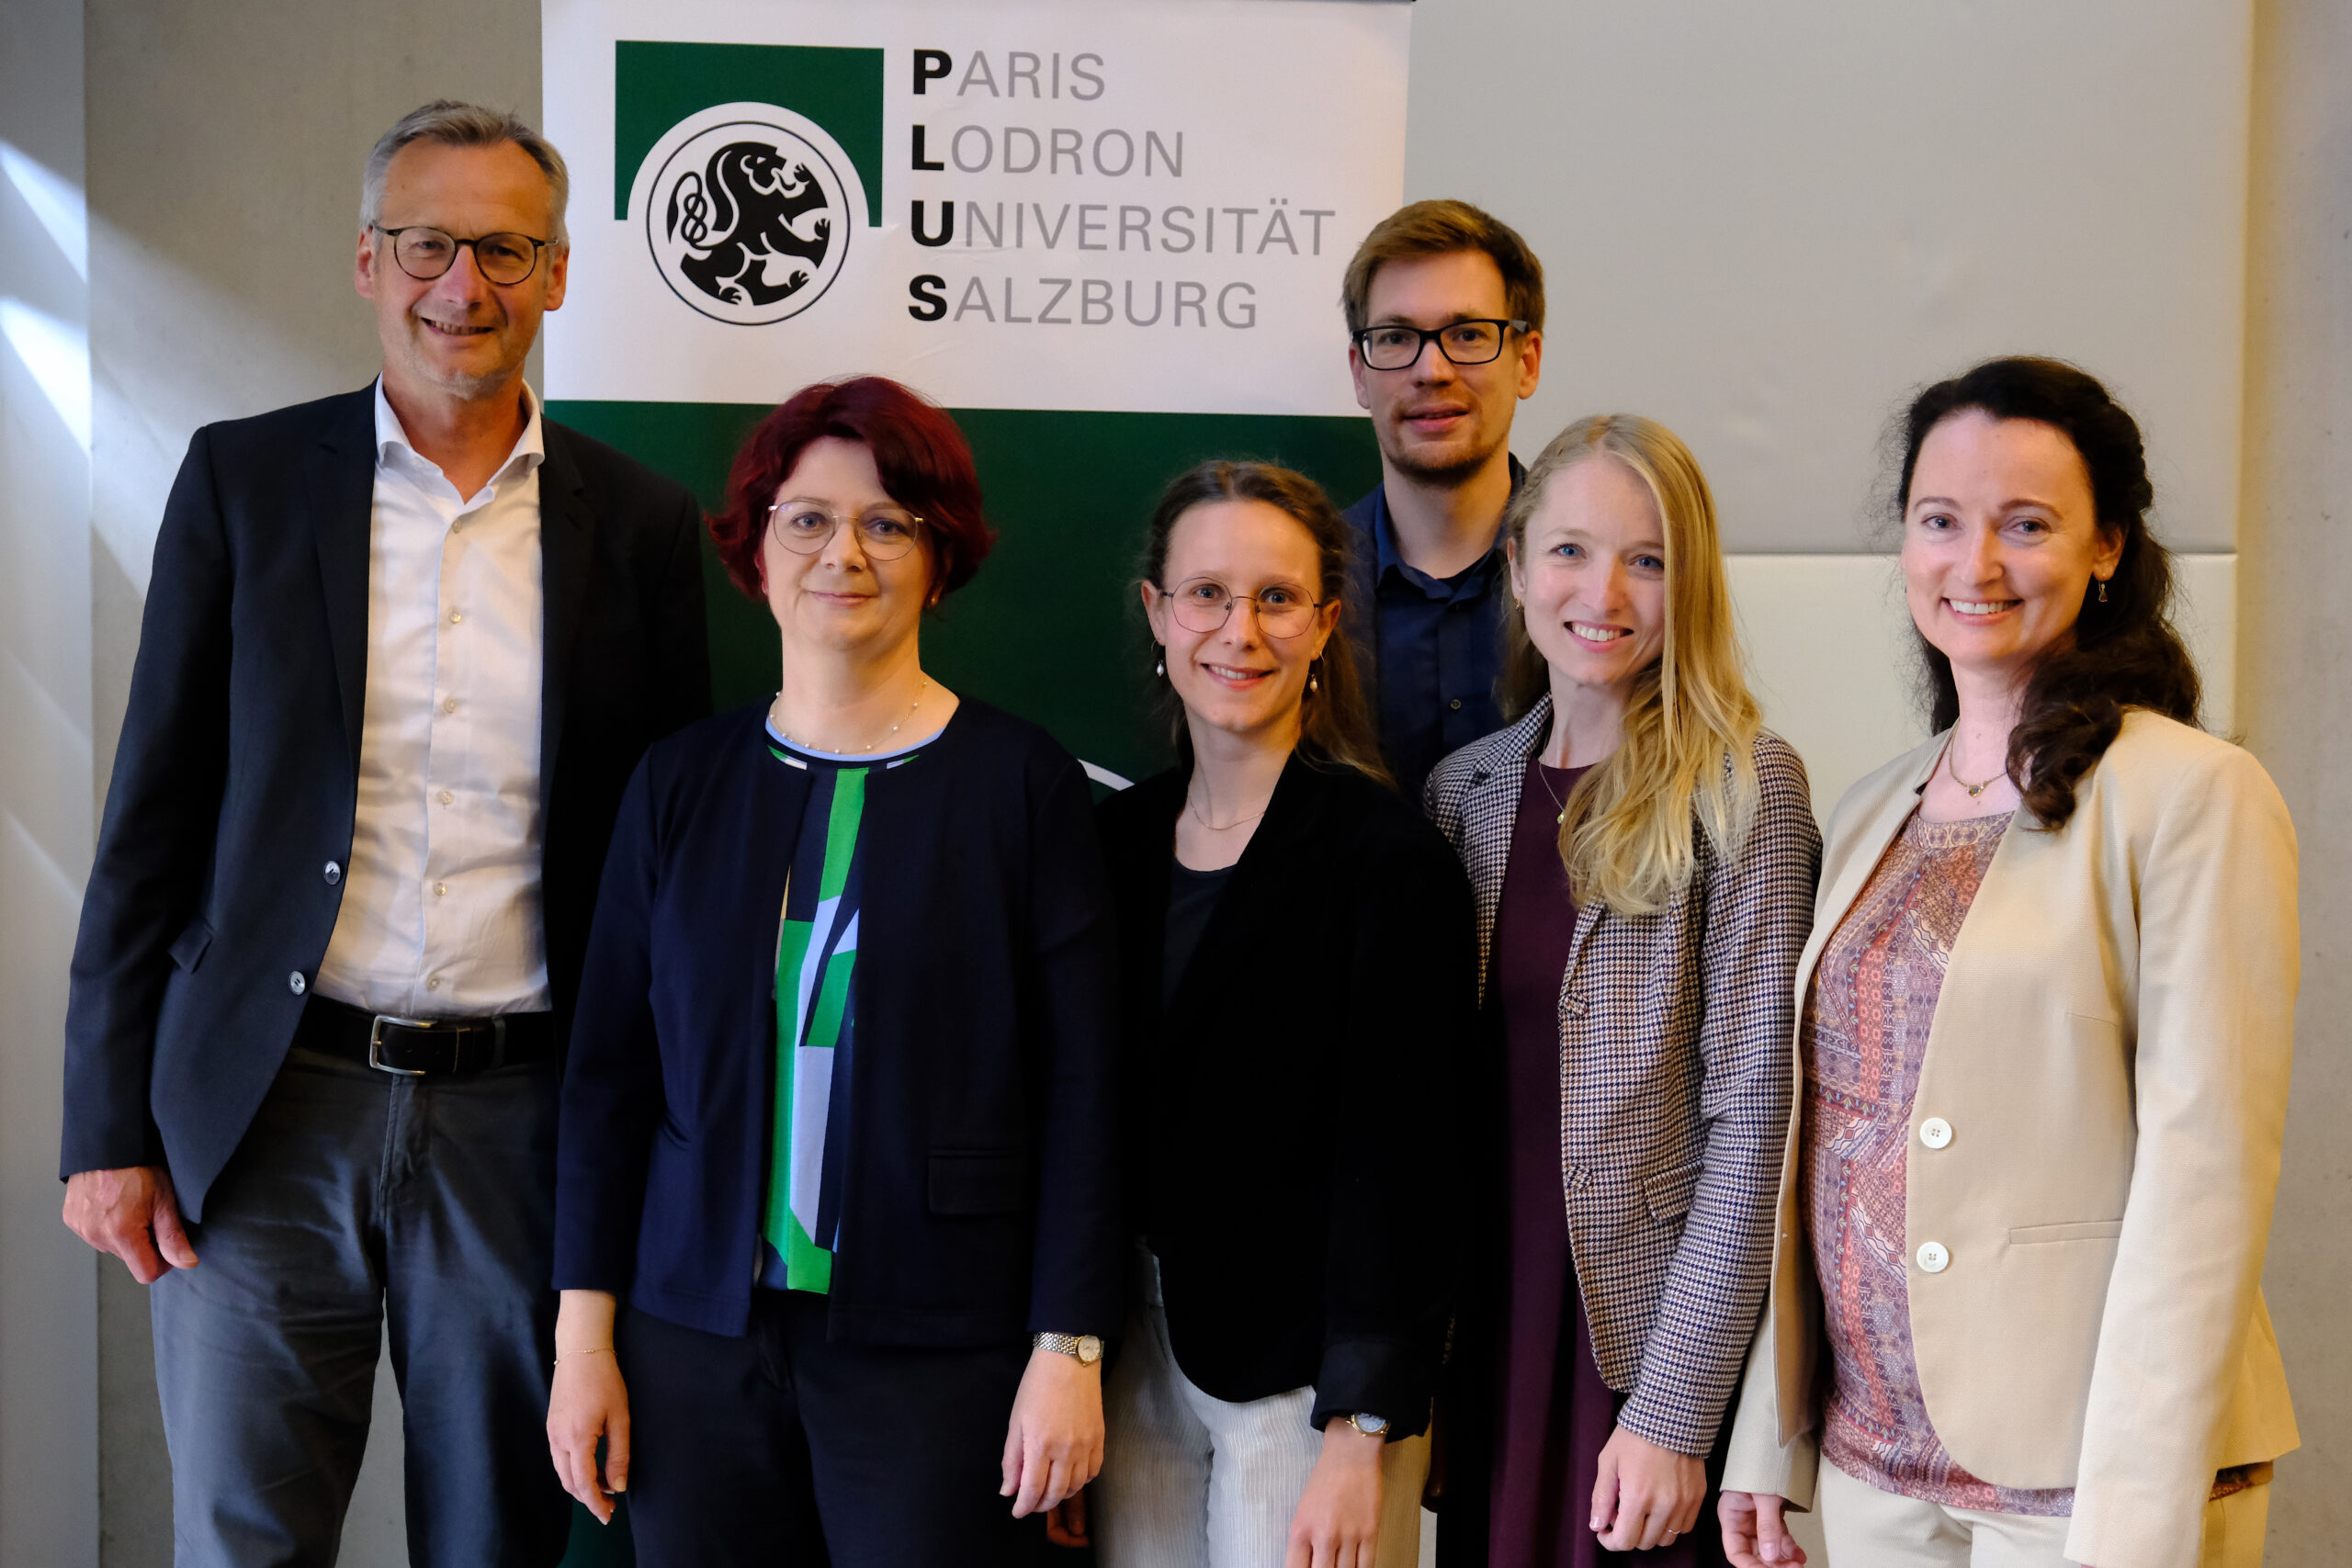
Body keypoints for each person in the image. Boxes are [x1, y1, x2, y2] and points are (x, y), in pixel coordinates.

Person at [57, 101, 709, 1565]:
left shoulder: (640, 525)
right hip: (263, 1110)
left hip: (521, 1122)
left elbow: (661, 874)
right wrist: (107, 1128)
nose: (461, 284)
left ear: (555, 272)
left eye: (504, 248)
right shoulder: (244, 482)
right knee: (244, 1536)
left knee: (495, 1538)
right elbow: (150, 815)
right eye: (426, 244)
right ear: (368, 260)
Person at [1717, 358, 2299, 1568]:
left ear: (2107, 547)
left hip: (2085, 1483)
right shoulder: (1873, 804)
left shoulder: (2192, 794)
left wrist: (2131, 1522)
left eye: (2025, 524)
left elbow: (2205, 1182)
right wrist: (1769, 1437)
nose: (1974, 562)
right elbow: (1824, 1135)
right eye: (1939, 520)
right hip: (1874, 1466)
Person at [544, 375, 1121, 1566]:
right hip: (691, 1340)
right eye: (806, 518)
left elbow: (1087, 1094)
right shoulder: (678, 783)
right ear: (756, 549)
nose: (841, 552)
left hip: (938, 1345)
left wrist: (1069, 1347)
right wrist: (581, 1339)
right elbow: (606, 1079)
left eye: (887, 522)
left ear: (939, 556)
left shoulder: (1022, 786)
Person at [1422, 415, 1819, 1567]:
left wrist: (1673, 1414)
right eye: (1569, 551)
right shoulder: (1463, 792)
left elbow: (1756, 1119)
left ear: (1687, 585)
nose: (1603, 593)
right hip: (1485, 1329)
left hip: (1635, 1346)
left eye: (1647, 559)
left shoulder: (1744, 786)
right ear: (1514, 568)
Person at [1089, 461, 1477, 1568]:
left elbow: (1406, 1166)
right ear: (1157, 612)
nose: (1240, 631)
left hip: (1305, 1386)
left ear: (1324, 625)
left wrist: (1362, 1431)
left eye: (1276, 599)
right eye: (1206, 595)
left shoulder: (1386, 857)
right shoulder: (1112, 845)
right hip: (1133, 1362)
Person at [1339, 199, 1547, 801]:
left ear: (1527, 362)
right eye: (1396, 337)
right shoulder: (1299, 588)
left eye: (1468, 335)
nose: (1431, 370)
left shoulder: (1602, 582)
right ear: (1359, 373)